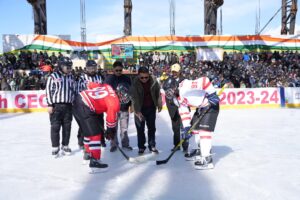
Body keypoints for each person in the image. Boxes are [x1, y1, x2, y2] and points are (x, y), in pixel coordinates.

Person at [73, 82, 120, 172]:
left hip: (78, 100)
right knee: (95, 134)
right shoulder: (114, 102)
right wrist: (110, 131)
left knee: (88, 132)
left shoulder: (108, 86)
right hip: (85, 106)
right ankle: (94, 161)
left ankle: (87, 154)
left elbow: (90, 84)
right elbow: (110, 119)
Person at [177, 76, 220, 170]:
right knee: (194, 129)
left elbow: (205, 80)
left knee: (204, 131)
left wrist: (212, 94)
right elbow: (184, 112)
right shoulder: (180, 100)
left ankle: (207, 159)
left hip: (211, 105)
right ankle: (197, 150)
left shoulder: (185, 86)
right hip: (201, 107)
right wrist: (187, 127)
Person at [45, 57, 75, 157]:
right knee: (55, 127)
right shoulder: (53, 76)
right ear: (61, 66)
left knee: (67, 127)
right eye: (68, 67)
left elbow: (73, 90)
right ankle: (55, 147)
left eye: (71, 67)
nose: (70, 69)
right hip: (56, 106)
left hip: (68, 106)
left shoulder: (71, 77)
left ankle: (65, 146)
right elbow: (48, 91)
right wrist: (50, 104)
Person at [130, 67, 162, 154]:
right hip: (139, 108)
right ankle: (141, 147)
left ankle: (152, 145)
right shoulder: (135, 83)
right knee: (140, 129)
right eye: (142, 77)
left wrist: (159, 104)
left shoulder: (154, 80)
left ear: (149, 75)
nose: (144, 79)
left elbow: (158, 93)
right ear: (138, 76)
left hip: (151, 108)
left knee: (151, 128)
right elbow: (134, 98)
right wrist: (137, 111)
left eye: (146, 77)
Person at [76, 60, 106, 149]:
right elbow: (79, 91)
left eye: (94, 68)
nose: (93, 70)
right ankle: (81, 141)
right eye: (90, 68)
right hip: (86, 105)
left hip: (98, 104)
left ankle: (101, 140)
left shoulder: (99, 77)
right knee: (85, 123)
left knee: (100, 122)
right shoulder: (82, 78)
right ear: (86, 68)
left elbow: (103, 89)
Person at [105, 60, 133, 152]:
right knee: (113, 127)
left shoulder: (127, 78)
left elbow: (131, 92)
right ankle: (113, 144)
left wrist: (132, 104)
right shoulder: (108, 79)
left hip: (124, 107)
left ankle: (125, 144)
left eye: (120, 70)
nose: (118, 72)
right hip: (113, 109)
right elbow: (105, 93)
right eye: (116, 70)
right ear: (113, 70)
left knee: (124, 128)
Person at [163, 63, 188, 152]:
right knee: (175, 128)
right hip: (173, 108)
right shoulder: (168, 80)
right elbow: (166, 93)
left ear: (179, 71)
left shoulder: (185, 80)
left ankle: (185, 146)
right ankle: (177, 145)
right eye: (173, 71)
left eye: (176, 72)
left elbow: (187, 92)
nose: (174, 73)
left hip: (183, 107)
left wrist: (177, 91)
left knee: (184, 127)